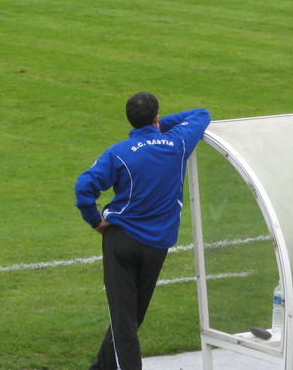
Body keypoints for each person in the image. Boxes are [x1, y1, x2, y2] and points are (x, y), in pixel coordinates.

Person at [75, 93, 211, 370]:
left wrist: (95, 222)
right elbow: (201, 114)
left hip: (121, 240)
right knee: (131, 317)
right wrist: (159, 129)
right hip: (157, 245)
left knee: (126, 318)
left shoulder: (119, 152)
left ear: (130, 120)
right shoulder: (178, 142)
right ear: (157, 117)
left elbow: (84, 188)